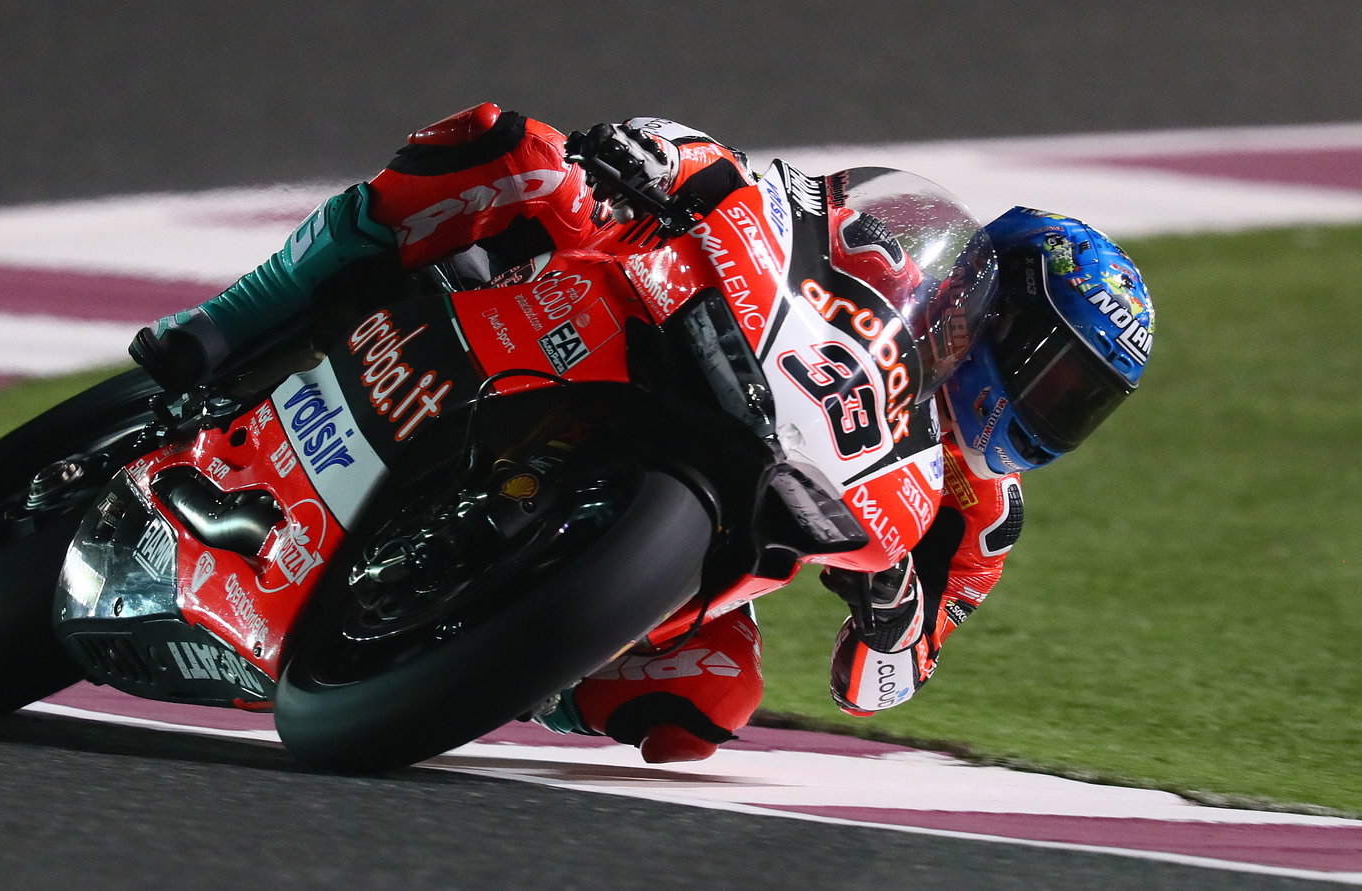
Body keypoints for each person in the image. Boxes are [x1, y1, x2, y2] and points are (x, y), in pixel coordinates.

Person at [130, 103, 1156, 763]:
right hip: (668, 316)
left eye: (1078, 399)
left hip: (745, 518)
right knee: (513, 150)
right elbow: (784, 200)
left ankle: (501, 662)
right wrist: (666, 159)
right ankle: (231, 318)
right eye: (1045, 362)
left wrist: (891, 603)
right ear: (989, 302)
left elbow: (879, 685)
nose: (1041, 403)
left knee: (714, 699)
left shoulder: (980, 519)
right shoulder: (897, 254)